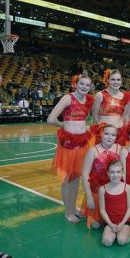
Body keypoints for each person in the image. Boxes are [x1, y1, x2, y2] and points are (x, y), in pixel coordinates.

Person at [48, 74, 94, 223]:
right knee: (67, 179)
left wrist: (82, 127)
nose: (85, 87)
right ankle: (68, 212)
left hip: (83, 143)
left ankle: (73, 210)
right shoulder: (68, 98)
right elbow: (51, 119)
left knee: (76, 178)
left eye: (87, 85)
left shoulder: (88, 100)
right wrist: (65, 126)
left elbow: (85, 119)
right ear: (75, 84)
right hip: (68, 144)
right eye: (82, 84)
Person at [81, 125, 121, 229]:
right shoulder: (93, 150)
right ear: (101, 135)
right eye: (106, 134)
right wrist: (89, 196)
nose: (109, 137)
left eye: (113, 135)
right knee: (95, 225)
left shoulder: (119, 148)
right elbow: (85, 174)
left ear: (116, 137)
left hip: (113, 191)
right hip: (97, 192)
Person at [91, 69, 130, 146]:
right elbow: (95, 117)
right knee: (101, 157)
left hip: (120, 134)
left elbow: (125, 117)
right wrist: (102, 130)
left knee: (118, 157)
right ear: (107, 80)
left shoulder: (126, 97)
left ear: (121, 81)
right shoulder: (100, 95)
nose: (116, 82)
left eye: (118, 79)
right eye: (113, 79)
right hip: (103, 134)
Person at [99, 160, 130, 247]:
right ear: (108, 173)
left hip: (124, 221)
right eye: (112, 172)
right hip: (110, 222)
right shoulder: (103, 189)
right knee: (107, 242)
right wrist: (110, 224)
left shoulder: (127, 187)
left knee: (121, 241)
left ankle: (124, 235)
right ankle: (111, 234)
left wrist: (122, 223)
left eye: (118, 172)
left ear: (122, 173)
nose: (115, 175)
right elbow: (102, 209)